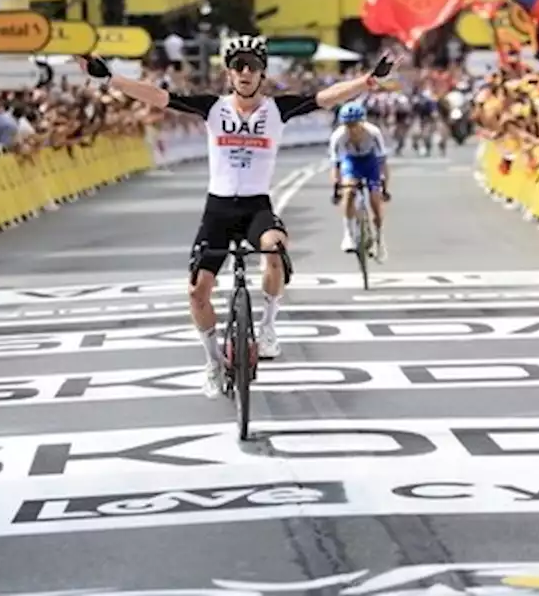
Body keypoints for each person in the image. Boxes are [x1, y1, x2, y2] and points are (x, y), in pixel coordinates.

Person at [76, 35, 394, 397]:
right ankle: (213, 362)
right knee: (197, 292)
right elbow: (156, 96)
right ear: (229, 72)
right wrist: (110, 78)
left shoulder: (278, 109)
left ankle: (269, 327)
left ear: (262, 73)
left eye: (253, 66)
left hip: (256, 207)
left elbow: (328, 96)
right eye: (238, 65)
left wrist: (368, 80)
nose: (245, 72)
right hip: (219, 209)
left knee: (275, 250)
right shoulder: (213, 108)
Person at [329, 101, 391, 260]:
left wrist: (385, 186)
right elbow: (335, 165)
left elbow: (383, 162)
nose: (352, 129)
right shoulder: (338, 136)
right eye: (348, 125)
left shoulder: (374, 133)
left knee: (375, 201)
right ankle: (348, 234)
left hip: (371, 163)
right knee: (348, 192)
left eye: (355, 124)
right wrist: (337, 187)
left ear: (362, 122)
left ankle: (379, 239)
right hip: (351, 162)